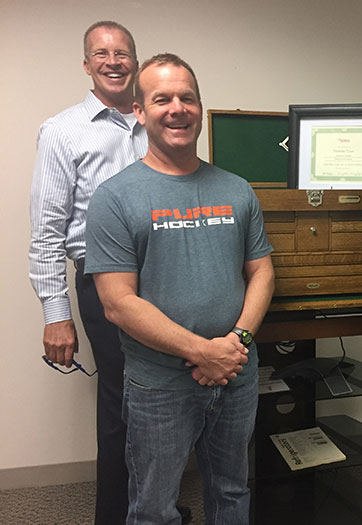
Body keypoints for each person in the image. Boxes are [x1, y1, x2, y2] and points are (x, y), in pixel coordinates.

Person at [84, 53, 275, 524]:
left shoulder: (236, 189)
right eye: (162, 98)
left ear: (200, 108)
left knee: (232, 491)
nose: (177, 108)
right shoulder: (114, 198)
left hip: (236, 374)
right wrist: (202, 352)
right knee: (153, 506)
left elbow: (262, 272)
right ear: (140, 112)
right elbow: (118, 303)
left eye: (187, 98)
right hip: (159, 385)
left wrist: (237, 344)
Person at [28, 21, 157, 524]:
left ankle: (154, 506)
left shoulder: (160, 122)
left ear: (136, 62)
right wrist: (56, 315)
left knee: (165, 397)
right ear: (87, 65)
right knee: (125, 402)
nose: (112, 61)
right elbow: (46, 231)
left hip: (166, 277)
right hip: (104, 280)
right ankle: (116, 516)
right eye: (101, 54)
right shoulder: (63, 130)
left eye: (122, 52)